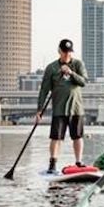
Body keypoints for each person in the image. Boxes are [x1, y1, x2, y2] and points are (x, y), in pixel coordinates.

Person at [37, 39, 88, 173]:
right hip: (59, 109)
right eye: (64, 52)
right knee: (56, 137)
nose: (67, 55)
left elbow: (83, 82)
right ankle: (53, 164)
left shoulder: (78, 64)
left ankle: (78, 162)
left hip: (76, 108)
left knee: (77, 136)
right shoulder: (52, 68)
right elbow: (44, 90)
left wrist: (71, 73)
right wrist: (39, 110)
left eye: (69, 52)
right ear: (59, 51)